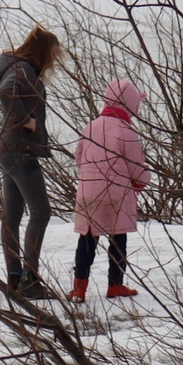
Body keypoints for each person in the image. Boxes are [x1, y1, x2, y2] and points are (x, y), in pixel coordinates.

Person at [0, 26, 60, 297]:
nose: (54, 59)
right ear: (42, 51)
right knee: (41, 213)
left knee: (12, 218)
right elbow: (7, 95)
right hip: (20, 150)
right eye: (53, 53)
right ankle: (30, 281)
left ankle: (15, 278)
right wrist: (27, 122)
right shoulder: (23, 71)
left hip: (8, 150)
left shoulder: (16, 67)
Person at [69, 78, 147, 300]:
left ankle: (79, 288)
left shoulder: (90, 127)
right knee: (118, 238)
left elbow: (79, 158)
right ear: (130, 104)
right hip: (116, 193)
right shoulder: (126, 131)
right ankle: (115, 285)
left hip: (88, 193)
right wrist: (142, 181)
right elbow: (137, 169)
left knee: (87, 239)